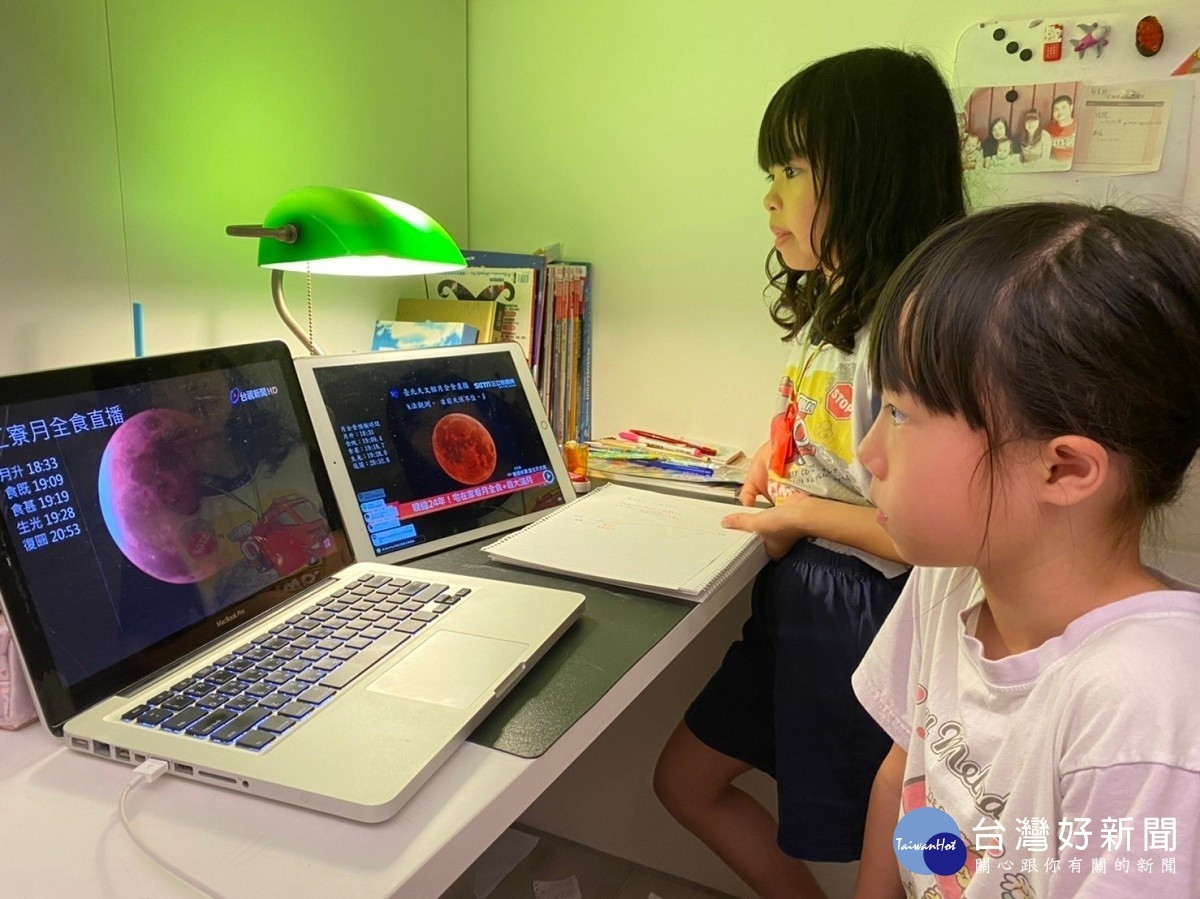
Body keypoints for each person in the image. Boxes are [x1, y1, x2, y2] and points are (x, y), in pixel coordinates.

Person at [652, 47, 965, 898]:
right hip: (800, 596)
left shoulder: (913, 332)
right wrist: (775, 456)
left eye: (791, 170)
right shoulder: (835, 302)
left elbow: (925, 534)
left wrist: (801, 516)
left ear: (870, 177)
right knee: (685, 779)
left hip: (866, 613)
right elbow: (823, 428)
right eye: (771, 173)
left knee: (890, 836)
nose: (770, 196)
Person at [851, 202, 1200, 897]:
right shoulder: (951, 579)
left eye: (899, 413)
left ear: (1063, 469)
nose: (868, 452)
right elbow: (902, 777)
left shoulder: (1147, 708)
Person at [1046, 93, 1076, 162]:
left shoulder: (1080, 127)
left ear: (1071, 108)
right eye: (1056, 109)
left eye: (1063, 108)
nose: (1060, 112)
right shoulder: (1048, 130)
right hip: (1055, 165)